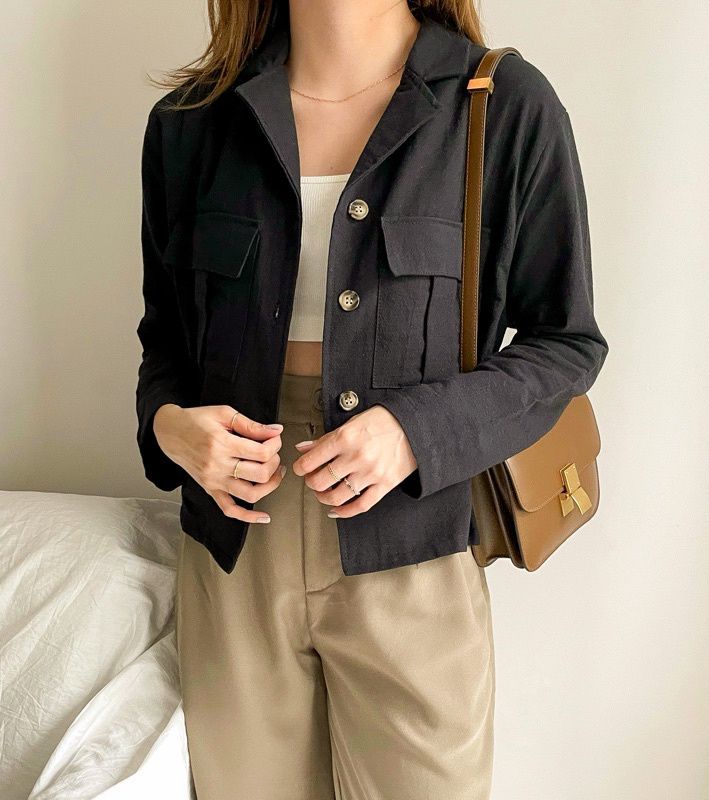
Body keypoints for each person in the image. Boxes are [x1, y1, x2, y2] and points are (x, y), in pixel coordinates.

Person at [134, 0, 609, 797]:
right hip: (235, 557)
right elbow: (165, 346)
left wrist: (415, 431)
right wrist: (171, 428)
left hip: (414, 549)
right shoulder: (192, 122)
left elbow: (567, 344)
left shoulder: (500, 104)